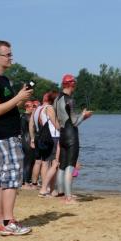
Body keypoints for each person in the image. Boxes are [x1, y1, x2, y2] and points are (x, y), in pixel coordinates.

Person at [0, 40, 33, 235]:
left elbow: (6, 106)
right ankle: (8, 222)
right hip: (4, 136)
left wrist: (19, 99)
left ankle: (0, 223)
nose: (11, 57)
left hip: (4, 135)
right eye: (7, 54)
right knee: (10, 179)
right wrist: (18, 98)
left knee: (0, 180)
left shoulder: (3, 80)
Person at [54, 74, 92, 204]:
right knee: (70, 166)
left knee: (62, 165)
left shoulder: (57, 99)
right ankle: (68, 197)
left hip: (62, 134)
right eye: (74, 84)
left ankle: (61, 193)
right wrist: (84, 115)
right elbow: (75, 122)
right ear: (71, 84)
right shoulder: (69, 100)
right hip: (71, 135)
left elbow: (58, 118)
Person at [34, 91, 60, 196]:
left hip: (45, 137)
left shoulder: (41, 108)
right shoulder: (49, 108)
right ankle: (47, 188)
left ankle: (48, 188)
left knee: (45, 163)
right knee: (54, 164)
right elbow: (57, 125)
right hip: (53, 137)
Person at [20, 101, 35, 188]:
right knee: (28, 161)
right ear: (26, 107)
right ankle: (25, 182)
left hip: (26, 139)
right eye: (31, 106)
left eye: (33, 106)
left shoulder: (26, 116)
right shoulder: (25, 116)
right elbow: (24, 129)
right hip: (27, 140)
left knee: (30, 161)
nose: (32, 108)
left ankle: (27, 181)